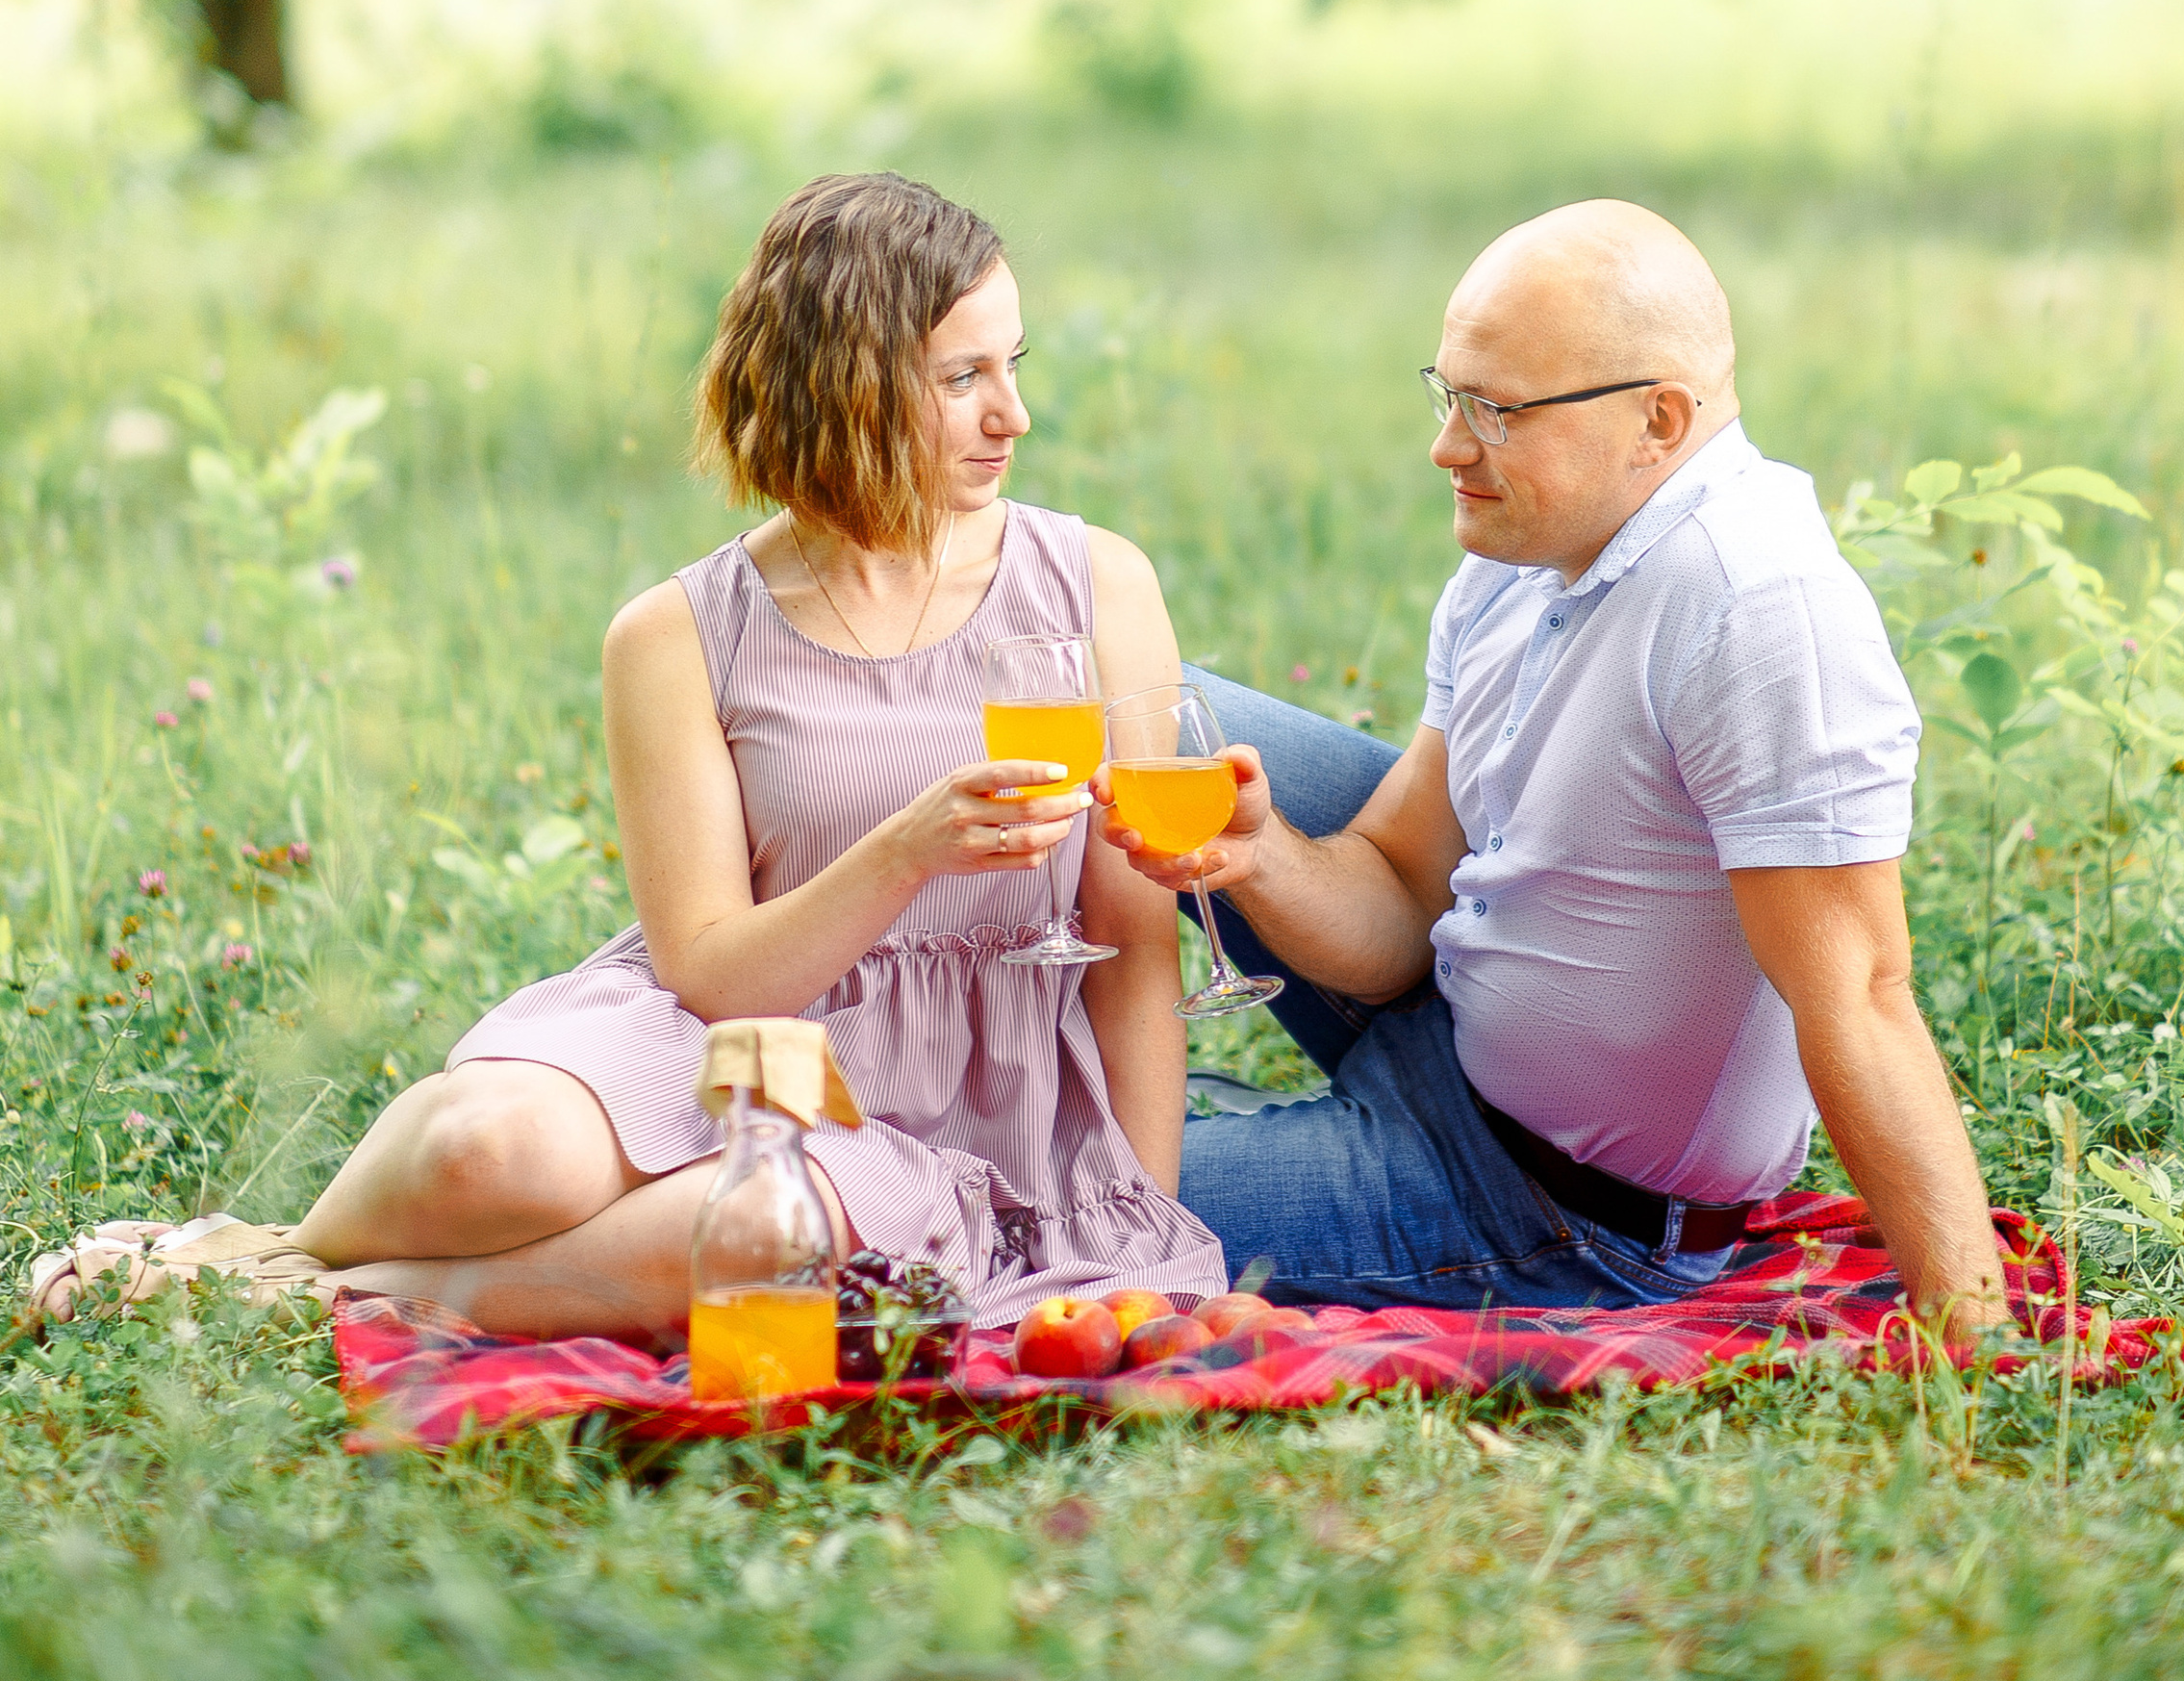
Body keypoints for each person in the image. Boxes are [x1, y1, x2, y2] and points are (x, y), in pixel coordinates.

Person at [33, 173, 1224, 1337]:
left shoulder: (1094, 582)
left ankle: (291, 1296)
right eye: (962, 379)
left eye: (1011, 367)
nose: (1012, 416)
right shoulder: (677, 633)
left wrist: (1142, 1218)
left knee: (760, 1238)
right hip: (733, 1038)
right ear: (841, 390)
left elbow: (1129, 946)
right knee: (483, 1150)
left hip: (975, 1109)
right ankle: (281, 1241)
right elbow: (708, 971)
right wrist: (904, 851)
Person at [1100, 198, 2009, 1339]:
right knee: (1103, 704)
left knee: (1023, 1207)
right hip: (1443, 1010)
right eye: (1446, 395)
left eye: (1496, 411)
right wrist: (1257, 858)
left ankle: (1011, 1134)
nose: (1446, 446)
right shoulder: (1527, 549)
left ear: (1659, 420)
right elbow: (1394, 907)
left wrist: (1978, 1335)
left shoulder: (1759, 613)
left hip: (1546, 1204)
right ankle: (948, 1035)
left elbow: (1864, 993)